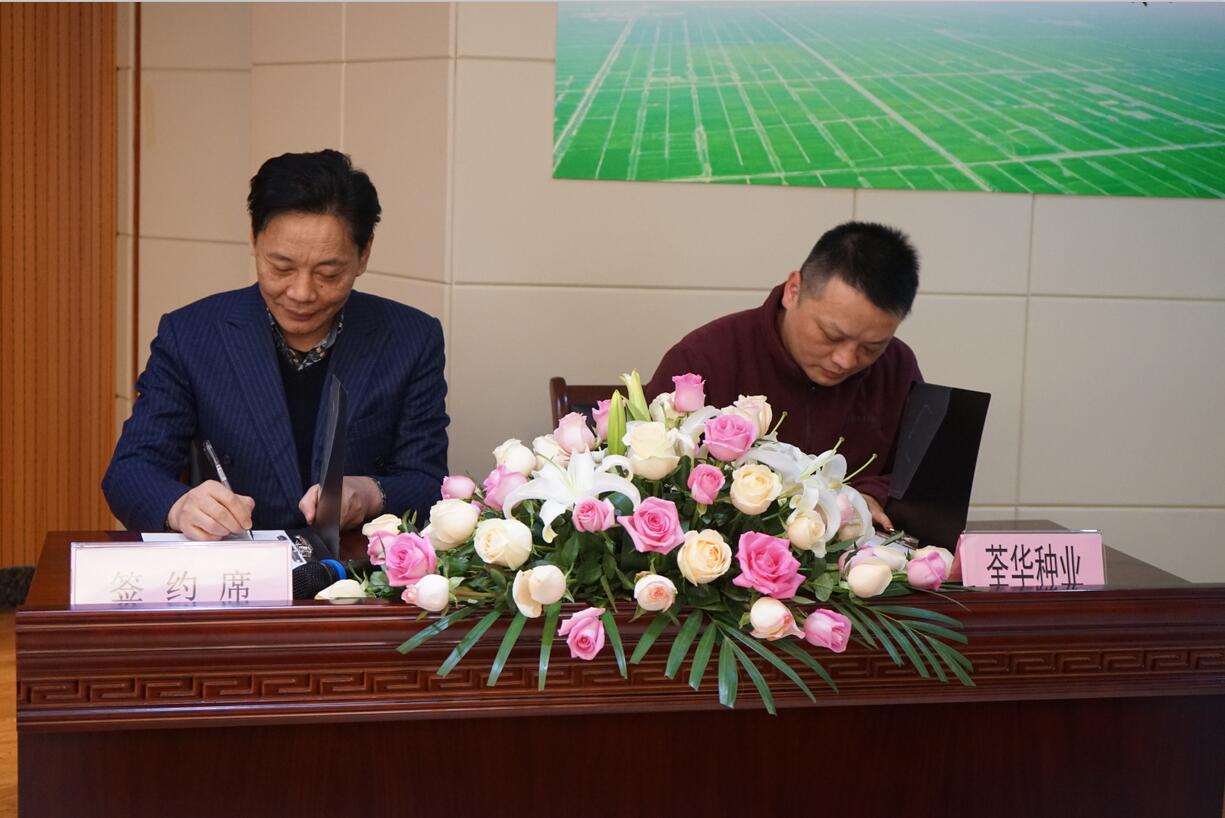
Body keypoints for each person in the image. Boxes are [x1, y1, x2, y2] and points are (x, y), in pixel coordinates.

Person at [103, 150, 448, 539]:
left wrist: (370, 493)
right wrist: (180, 507)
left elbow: (428, 482)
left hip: (356, 567)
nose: (301, 293)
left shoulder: (411, 339)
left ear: (363, 253)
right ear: (254, 238)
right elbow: (131, 471)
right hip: (238, 563)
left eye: (328, 273)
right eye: (281, 268)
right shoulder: (191, 335)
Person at [645, 221, 921, 530]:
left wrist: (871, 496)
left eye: (871, 347)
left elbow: (921, 474)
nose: (845, 360)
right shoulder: (703, 360)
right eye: (831, 335)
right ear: (793, 291)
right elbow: (650, 478)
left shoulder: (896, 366)